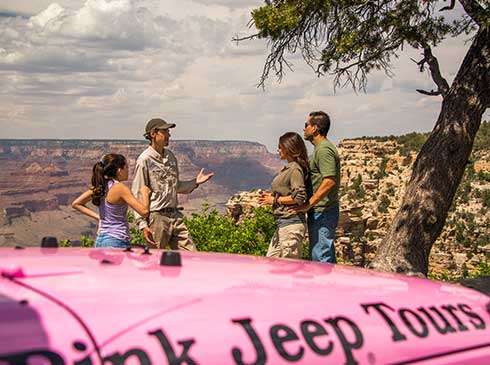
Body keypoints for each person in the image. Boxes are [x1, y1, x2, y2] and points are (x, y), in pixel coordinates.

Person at [131, 117, 214, 250]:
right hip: (157, 217)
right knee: (155, 259)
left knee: (191, 255)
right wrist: (142, 223)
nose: (169, 135)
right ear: (153, 134)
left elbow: (175, 186)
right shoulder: (144, 160)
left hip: (175, 215)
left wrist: (195, 183)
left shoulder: (170, 156)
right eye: (165, 132)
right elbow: (138, 192)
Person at [292, 111, 341, 263]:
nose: (304, 129)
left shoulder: (324, 150)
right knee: (321, 254)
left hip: (323, 211)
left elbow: (329, 181)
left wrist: (309, 204)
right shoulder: (320, 148)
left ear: (315, 128)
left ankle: (324, 286)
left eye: (306, 125)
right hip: (320, 210)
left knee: (320, 257)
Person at [72, 153, 151, 248]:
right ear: (119, 170)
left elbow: (76, 204)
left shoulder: (100, 186)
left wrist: (99, 217)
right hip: (116, 240)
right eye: (126, 167)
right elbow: (144, 212)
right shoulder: (120, 188)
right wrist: (145, 193)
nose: (128, 171)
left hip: (101, 240)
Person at [258, 132, 308, 259]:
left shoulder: (295, 169)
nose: (278, 150)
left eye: (280, 147)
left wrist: (274, 200)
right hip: (283, 225)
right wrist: (271, 196)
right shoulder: (289, 168)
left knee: (289, 269)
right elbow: (289, 192)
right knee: (271, 263)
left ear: (288, 148)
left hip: (291, 225)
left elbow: (300, 197)